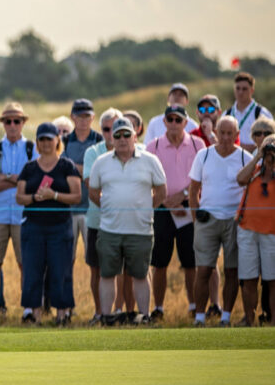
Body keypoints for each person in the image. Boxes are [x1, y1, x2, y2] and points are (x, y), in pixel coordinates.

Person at [88, 117, 166, 325]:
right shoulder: (101, 162)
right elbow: (93, 192)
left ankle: (145, 316)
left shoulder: (150, 160)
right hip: (109, 230)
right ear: (112, 139)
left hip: (140, 230)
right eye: (117, 135)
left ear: (134, 136)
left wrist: (146, 209)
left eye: (126, 134)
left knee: (140, 275)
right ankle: (105, 316)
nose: (122, 139)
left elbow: (161, 191)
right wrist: (107, 207)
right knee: (107, 274)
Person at [145, 105, 207, 321]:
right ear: (164, 122)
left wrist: (181, 196)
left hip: (188, 208)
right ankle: (159, 308)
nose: (173, 123)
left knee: (190, 263)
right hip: (162, 210)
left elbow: (202, 177)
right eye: (169, 119)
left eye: (178, 120)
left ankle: (193, 306)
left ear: (185, 122)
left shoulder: (197, 144)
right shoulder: (153, 146)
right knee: (159, 263)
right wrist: (166, 201)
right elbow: (148, 180)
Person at [15, 122, 81, 324]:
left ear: (57, 141)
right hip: (33, 227)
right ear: (36, 143)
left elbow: (76, 196)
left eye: (49, 139)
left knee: (61, 270)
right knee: (32, 270)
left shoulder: (66, 165)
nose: (45, 143)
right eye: (41, 139)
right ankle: (33, 314)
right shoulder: (29, 168)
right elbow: (20, 197)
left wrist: (55, 195)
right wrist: (35, 197)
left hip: (60, 227)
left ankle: (62, 314)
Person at [188, 116, 251, 326]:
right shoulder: (203, 155)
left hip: (234, 221)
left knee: (232, 271)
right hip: (207, 220)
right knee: (204, 269)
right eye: (221, 132)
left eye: (229, 134)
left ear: (236, 135)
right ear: (216, 131)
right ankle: (199, 317)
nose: (225, 138)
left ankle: (226, 316)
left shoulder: (245, 158)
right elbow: (193, 189)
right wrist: (196, 218)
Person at [0, 102, 34, 319]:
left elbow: (30, 182)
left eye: (17, 121)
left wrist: (6, 177)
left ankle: (27, 309)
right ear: (3, 124)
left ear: (23, 123)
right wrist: (16, 179)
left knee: (24, 263)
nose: (13, 125)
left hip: (23, 215)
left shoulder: (32, 148)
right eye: (8, 121)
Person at [80, 107, 123, 321]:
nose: (110, 133)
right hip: (98, 221)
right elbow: (91, 185)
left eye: (115, 128)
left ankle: (119, 311)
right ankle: (99, 312)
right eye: (106, 129)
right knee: (96, 269)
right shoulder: (92, 153)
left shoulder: (133, 152)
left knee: (122, 270)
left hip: (124, 222)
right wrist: (114, 203)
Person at [235, 134, 275, 326]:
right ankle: (249, 321)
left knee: (272, 280)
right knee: (248, 278)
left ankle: (273, 322)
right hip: (248, 230)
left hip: (271, 233)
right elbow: (240, 179)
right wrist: (258, 156)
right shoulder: (255, 170)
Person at [64, 98, 100, 278]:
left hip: (92, 209)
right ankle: (67, 306)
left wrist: (75, 168)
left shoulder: (99, 139)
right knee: (66, 260)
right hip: (68, 209)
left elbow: (99, 172)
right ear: (72, 117)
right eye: (80, 116)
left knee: (95, 262)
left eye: (87, 116)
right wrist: (87, 169)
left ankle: (99, 306)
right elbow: (61, 169)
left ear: (93, 118)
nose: (83, 120)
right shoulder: (64, 140)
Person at [226, 71, 272, 151]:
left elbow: (271, 140)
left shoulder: (262, 113)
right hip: (232, 161)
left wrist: (243, 148)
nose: (240, 92)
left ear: (252, 90)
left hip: (256, 160)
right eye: (238, 88)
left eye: (244, 89)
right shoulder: (227, 114)